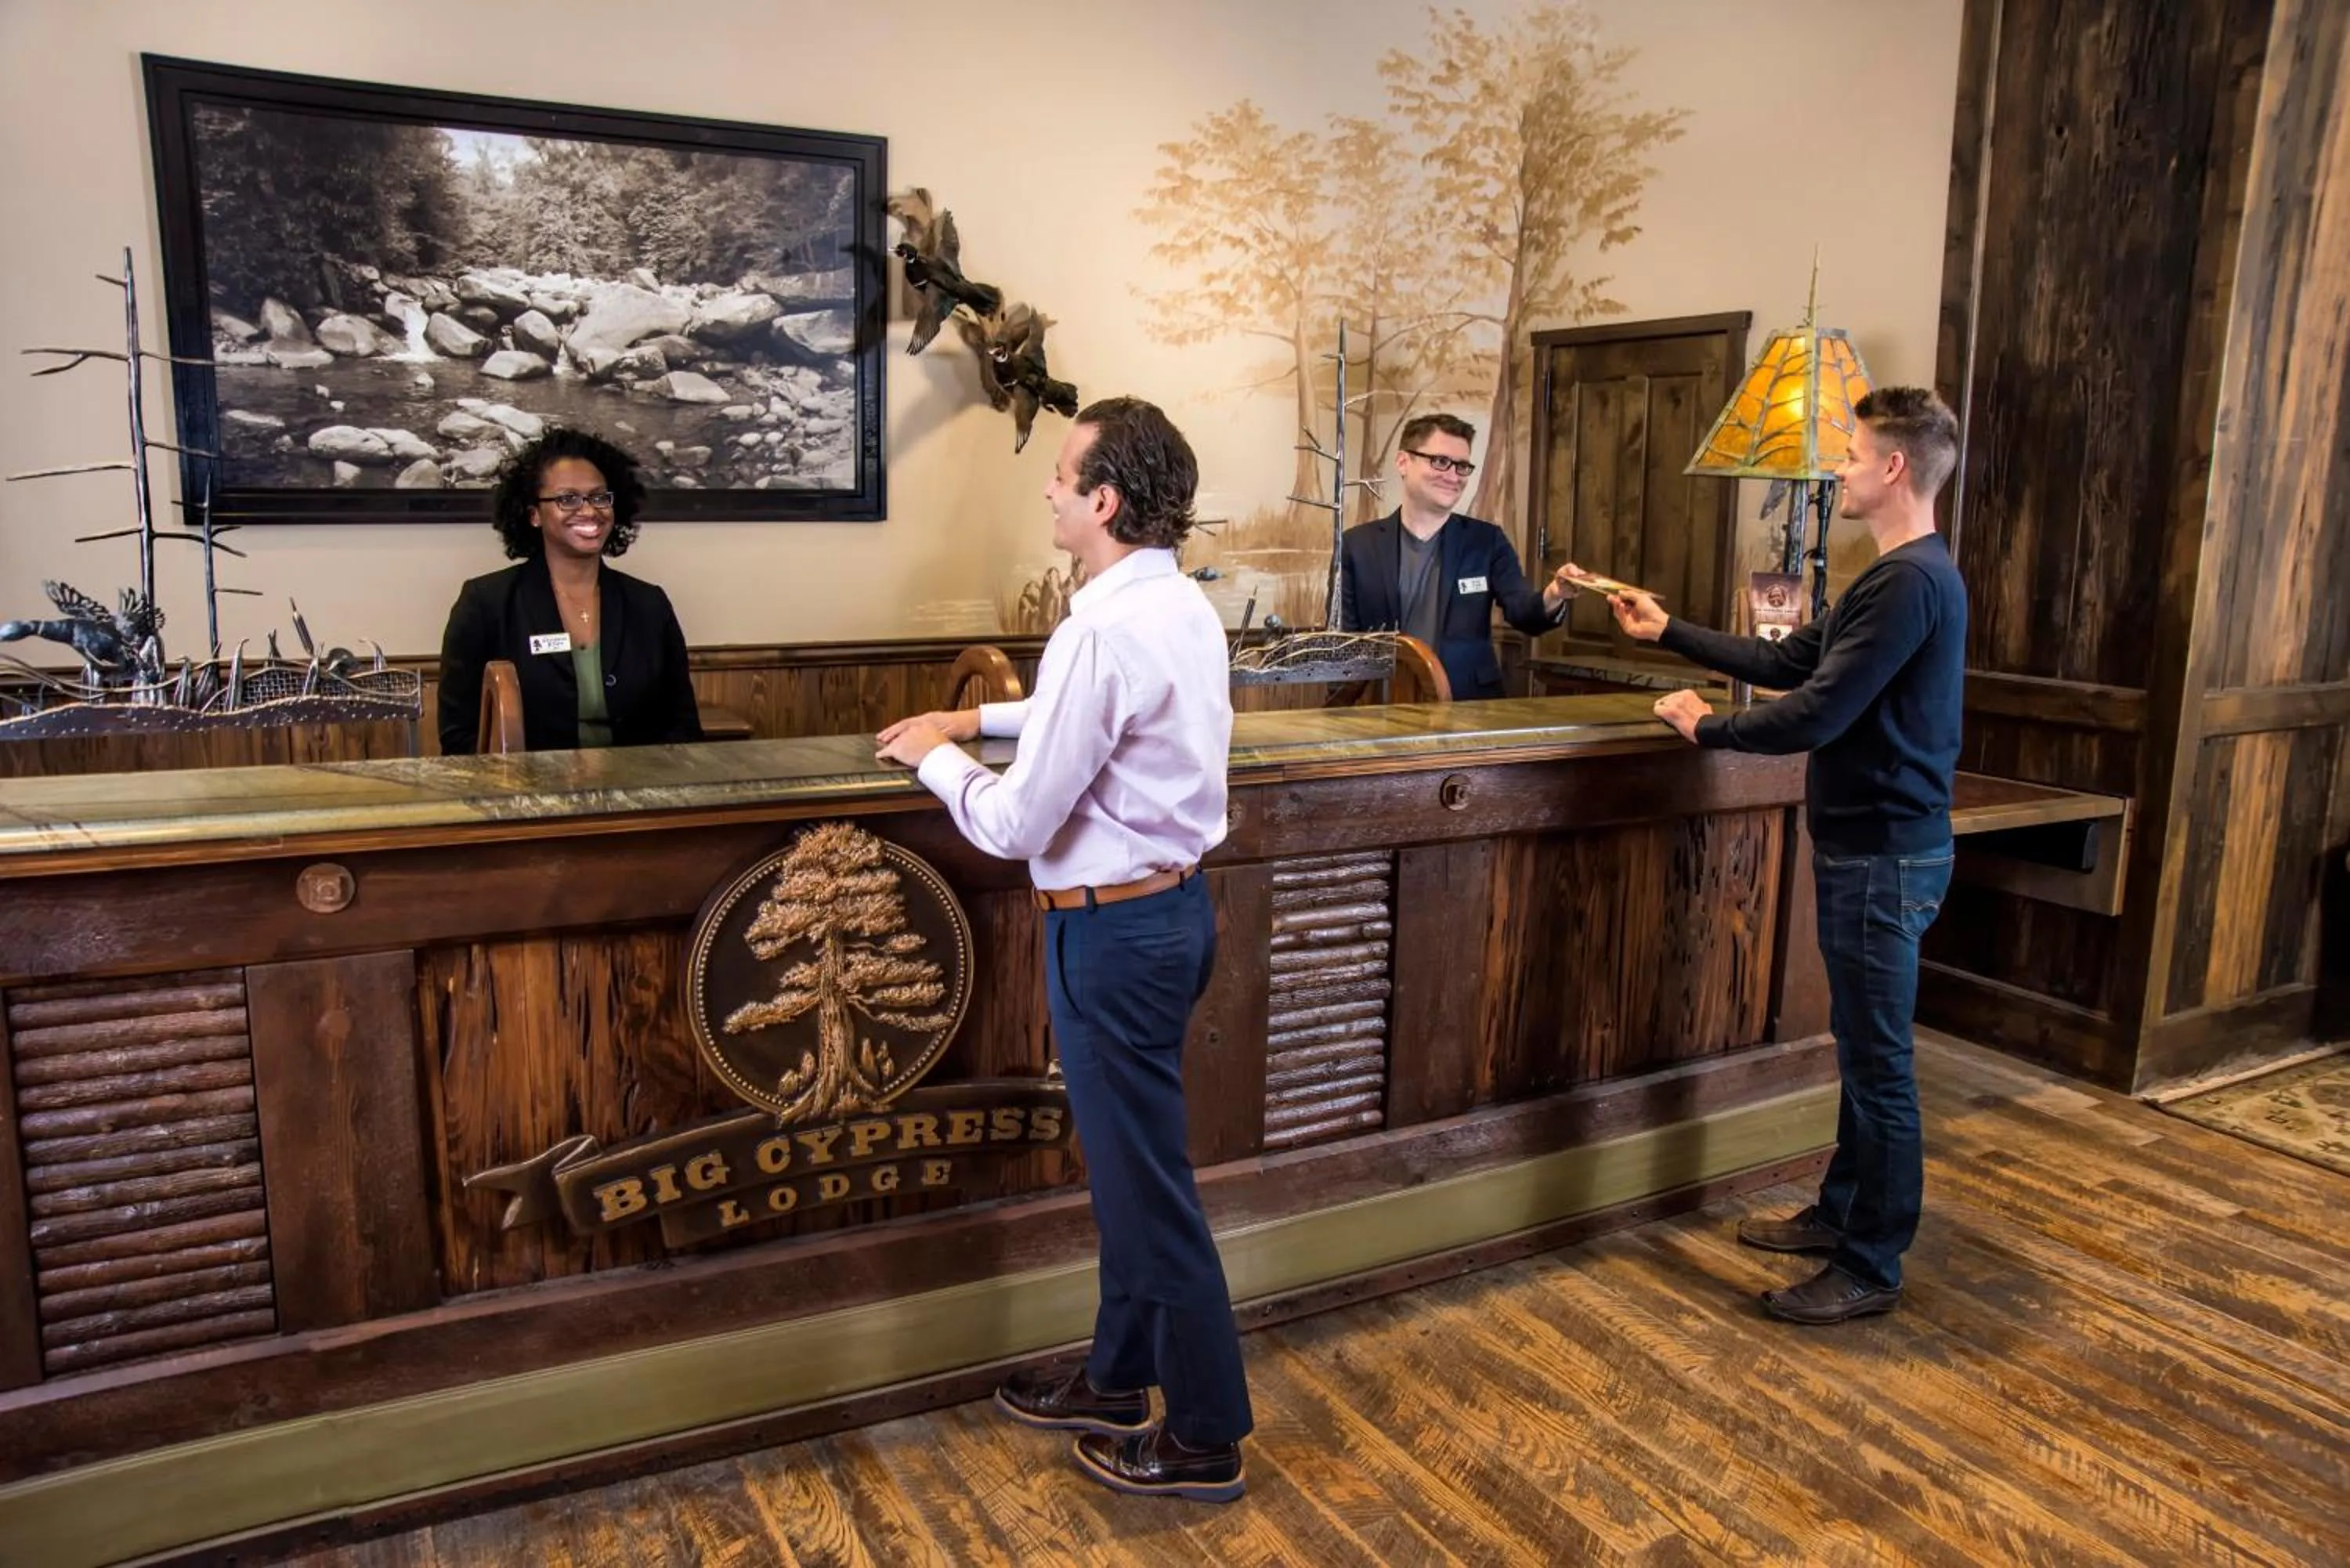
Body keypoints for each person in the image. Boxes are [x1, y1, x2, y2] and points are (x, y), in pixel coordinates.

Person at [875, 396, 1249, 1503]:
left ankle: (1207, 1434)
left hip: (1112, 931)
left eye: (1061, 473)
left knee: (1148, 1192)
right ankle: (1115, 1377)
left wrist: (929, 757)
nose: (1045, 488)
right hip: (1167, 917)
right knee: (1131, 1176)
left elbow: (1009, 826)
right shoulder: (1174, 602)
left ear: (1104, 500)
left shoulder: (1103, 626)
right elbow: (1081, 711)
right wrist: (977, 722)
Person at [1606, 385, 1967, 1325]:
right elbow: (1795, 658)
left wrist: (1707, 729)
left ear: (1894, 467)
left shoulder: (1912, 582)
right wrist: (1669, 631)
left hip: (1885, 857)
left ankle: (1871, 1263)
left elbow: (1818, 711)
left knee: (1881, 1065)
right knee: (1862, 1049)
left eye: (1850, 455)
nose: (1837, 469)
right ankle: (1842, 1212)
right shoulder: (1894, 575)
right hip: (1869, 849)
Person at [435, 427, 701, 754]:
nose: (589, 511)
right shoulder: (485, 603)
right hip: (528, 798)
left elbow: (683, 725)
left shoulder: (649, 604)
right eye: (567, 499)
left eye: (600, 497)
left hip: (639, 793)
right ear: (533, 514)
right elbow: (458, 737)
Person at [1338, 412, 1580, 698]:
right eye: (1441, 462)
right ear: (1404, 462)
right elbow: (1344, 646)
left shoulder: (1486, 541)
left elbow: (1523, 612)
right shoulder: (1356, 545)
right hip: (1383, 711)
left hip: (1468, 709)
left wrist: (1554, 595)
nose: (1453, 476)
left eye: (1462, 466)